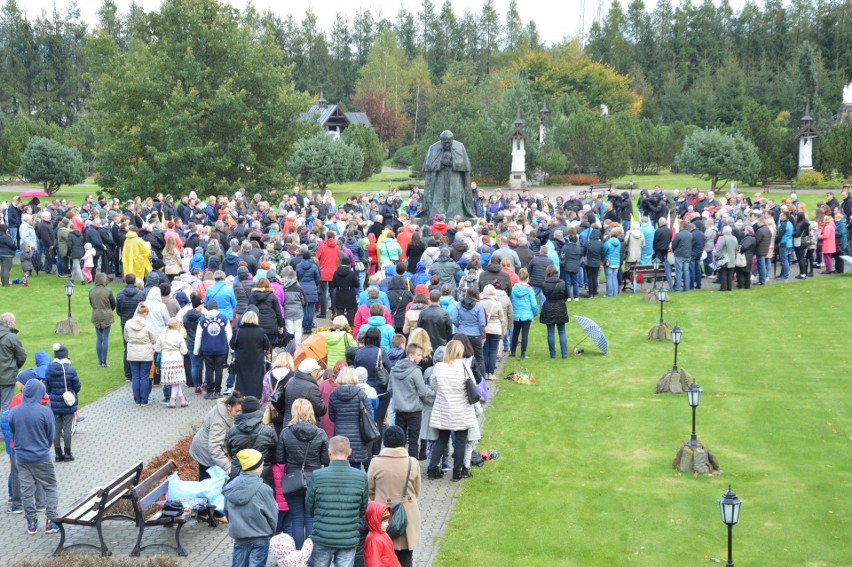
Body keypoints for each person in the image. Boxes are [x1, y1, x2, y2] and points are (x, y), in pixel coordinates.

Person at [305, 436, 369, 566]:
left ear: (329, 451)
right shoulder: (361, 477)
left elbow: (309, 506)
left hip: (322, 536)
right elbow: (362, 508)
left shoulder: (317, 475)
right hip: (348, 537)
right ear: (350, 451)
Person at [8, 379, 60, 536]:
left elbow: (13, 432)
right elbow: (51, 434)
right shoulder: (45, 412)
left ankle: (31, 523)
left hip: (22, 457)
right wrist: (44, 447)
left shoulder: (14, 412)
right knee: (50, 486)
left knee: (26, 490)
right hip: (41, 457)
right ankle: (51, 521)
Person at [276, 399, 329, 550]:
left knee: (296, 518)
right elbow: (326, 459)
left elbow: (279, 458)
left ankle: (298, 554)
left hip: (293, 481)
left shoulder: (286, 432)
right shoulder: (320, 432)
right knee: (311, 519)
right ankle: (311, 554)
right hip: (315, 480)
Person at [367, 426, 421, 567]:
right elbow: (417, 490)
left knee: (383, 558)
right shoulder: (412, 462)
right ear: (403, 442)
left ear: (385, 442)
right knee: (406, 557)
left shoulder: (375, 462)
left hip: (383, 516)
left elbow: (370, 490)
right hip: (407, 515)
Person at [426, 340, 476, 481]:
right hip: (461, 409)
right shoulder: (465, 367)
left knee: (441, 439)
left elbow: (433, 386)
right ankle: (457, 472)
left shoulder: (439, 367)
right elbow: (472, 386)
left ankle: (432, 469)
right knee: (460, 441)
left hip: (444, 408)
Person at [223, 448, 278, 567]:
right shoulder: (264, 489)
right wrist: (271, 532)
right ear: (256, 466)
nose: (263, 467)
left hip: (240, 537)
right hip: (260, 537)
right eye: (262, 465)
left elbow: (226, 511)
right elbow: (272, 515)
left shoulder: (230, 486)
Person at [389, 345, 434, 459]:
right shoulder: (415, 371)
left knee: (400, 440)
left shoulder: (394, 369)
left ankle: (400, 464)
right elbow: (423, 392)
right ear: (411, 355)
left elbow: (389, 389)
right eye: (418, 355)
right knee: (413, 441)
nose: (421, 358)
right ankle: (413, 467)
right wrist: (432, 393)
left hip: (399, 408)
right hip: (414, 410)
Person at [421, 130, 476, 220]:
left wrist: (452, 163)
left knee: (455, 196)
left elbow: (465, 166)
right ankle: (436, 215)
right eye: (445, 143)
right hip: (439, 177)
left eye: (449, 143)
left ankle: (457, 215)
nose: (447, 145)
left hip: (455, 177)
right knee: (439, 197)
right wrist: (441, 163)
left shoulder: (460, 146)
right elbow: (429, 166)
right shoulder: (433, 148)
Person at [190, 391, 244, 480]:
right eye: (237, 411)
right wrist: (227, 466)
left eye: (241, 411)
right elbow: (214, 447)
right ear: (229, 407)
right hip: (205, 450)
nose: (239, 414)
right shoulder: (219, 423)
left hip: (205, 444)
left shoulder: (223, 409)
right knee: (207, 480)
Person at [354, 328, 391, 452]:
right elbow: (390, 369)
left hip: (363, 391)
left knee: (363, 420)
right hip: (380, 391)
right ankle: (376, 450)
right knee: (378, 421)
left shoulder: (359, 352)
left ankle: (365, 449)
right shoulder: (381, 352)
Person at [226, 396, 277, 486]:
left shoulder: (232, 431)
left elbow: (230, 452)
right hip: (262, 476)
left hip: (238, 475)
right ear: (257, 410)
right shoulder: (268, 431)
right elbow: (275, 454)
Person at [328, 367, 372, 469]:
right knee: (355, 466)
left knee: (339, 466)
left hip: (340, 434)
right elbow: (368, 414)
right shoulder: (360, 393)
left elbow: (332, 417)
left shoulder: (334, 394)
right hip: (357, 436)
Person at [43, 343, 81, 462]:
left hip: (54, 404)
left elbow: (47, 388)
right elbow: (77, 386)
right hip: (67, 403)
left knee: (56, 429)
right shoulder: (70, 369)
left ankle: (58, 454)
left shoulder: (49, 369)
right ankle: (68, 453)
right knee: (67, 428)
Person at [195, 299, 233, 399]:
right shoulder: (224, 319)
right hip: (221, 348)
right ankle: (218, 391)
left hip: (207, 349)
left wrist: (196, 350)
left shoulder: (203, 320)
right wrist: (232, 349)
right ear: (217, 307)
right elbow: (229, 334)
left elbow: (198, 336)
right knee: (219, 370)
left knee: (209, 370)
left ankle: (209, 391)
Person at [231, 310, 270, 400]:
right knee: (256, 378)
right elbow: (267, 346)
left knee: (241, 378)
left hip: (242, 359)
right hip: (257, 359)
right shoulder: (261, 331)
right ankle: (256, 398)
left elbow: (232, 345)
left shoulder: (238, 331)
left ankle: (240, 397)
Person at [124, 303, 156, 406]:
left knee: (136, 376)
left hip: (133, 353)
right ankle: (144, 400)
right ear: (145, 313)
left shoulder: (128, 323)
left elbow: (126, 337)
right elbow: (154, 339)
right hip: (146, 353)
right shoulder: (148, 325)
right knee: (144, 376)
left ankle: (137, 400)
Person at [278, 359, 327, 426]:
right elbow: (321, 410)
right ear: (311, 372)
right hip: (305, 425)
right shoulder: (311, 387)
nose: (317, 373)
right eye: (316, 371)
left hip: (288, 423)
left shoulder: (291, 381)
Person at [116, 274, 147, 381]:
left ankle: (128, 374)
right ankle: (137, 372)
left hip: (126, 323)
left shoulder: (120, 294)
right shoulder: (141, 294)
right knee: (140, 345)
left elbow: (118, 311)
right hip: (139, 323)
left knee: (127, 347)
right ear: (134, 281)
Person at [154, 317, 189, 407]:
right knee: (176, 382)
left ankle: (180, 400)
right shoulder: (178, 336)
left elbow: (157, 348)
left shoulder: (162, 335)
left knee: (174, 382)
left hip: (166, 361)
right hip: (177, 360)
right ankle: (174, 400)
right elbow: (184, 351)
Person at [0, 312, 27, 413]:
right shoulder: (11, 337)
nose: (15, 324)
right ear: (9, 323)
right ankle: (4, 428)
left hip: (7, 375)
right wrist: (14, 367)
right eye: (14, 322)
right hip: (7, 377)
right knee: (6, 405)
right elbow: (21, 357)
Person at [540, 265, 569, 359]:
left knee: (551, 332)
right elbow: (566, 296)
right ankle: (564, 353)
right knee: (562, 331)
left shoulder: (544, 284)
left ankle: (553, 354)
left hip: (549, 307)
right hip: (560, 306)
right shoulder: (562, 283)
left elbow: (546, 294)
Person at [509, 269, 538, 360]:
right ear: (527, 278)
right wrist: (535, 313)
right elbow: (534, 304)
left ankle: (513, 351)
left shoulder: (513, 288)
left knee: (515, 333)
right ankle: (523, 353)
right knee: (525, 334)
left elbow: (510, 300)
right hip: (527, 314)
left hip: (516, 314)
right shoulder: (530, 290)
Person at [88, 273, 116, 368]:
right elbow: (113, 304)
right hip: (107, 316)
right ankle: (104, 362)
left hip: (96, 315)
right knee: (105, 338)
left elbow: (91, 303)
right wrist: (108, 310)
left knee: (99, 338)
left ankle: (100, 362)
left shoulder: (91, 290)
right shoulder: (108, 291)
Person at [363, 502, 401, 567]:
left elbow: (392, 555)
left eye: (388, 521)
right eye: (384, 521)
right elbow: (373, 563)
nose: (387, 524)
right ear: (375, 519)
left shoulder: (383, 533)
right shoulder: (373, 540)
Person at [249, 277, 284, 348]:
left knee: (258, 346)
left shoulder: (252, 296)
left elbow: (249, 311)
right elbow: (278, 312)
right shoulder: (272, 296)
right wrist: (281, 325)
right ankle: (269, 356)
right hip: (271, 326)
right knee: (270, 345)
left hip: (257, 324)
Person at [715, 226, 738, 292]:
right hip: (732, 258)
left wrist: (716, 256)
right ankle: (729, 287)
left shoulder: (723, 238)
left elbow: (719, 248)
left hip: (724, 258)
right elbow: (737, 248)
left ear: (724, 231)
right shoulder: (734, 238)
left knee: (723, 273)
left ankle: (723, 287)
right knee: (730, 274)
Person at [602, 226, 623, 297]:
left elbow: (604, 252)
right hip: (616, 262)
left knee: (609, 277)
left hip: (609, 262)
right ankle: (615, 293)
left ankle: (610, 293)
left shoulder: (607, 243)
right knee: (614, 277)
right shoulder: (619, 243)